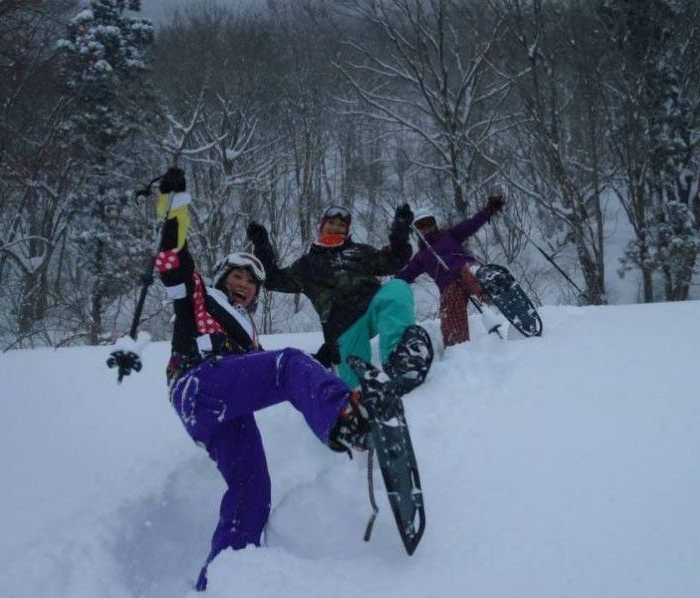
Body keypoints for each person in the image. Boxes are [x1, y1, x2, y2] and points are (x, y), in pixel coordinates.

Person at [152, 168, 372, 591]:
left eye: (252, 282)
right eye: (237, 275)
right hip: (198, 384)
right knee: (286, 363)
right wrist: (173, 207)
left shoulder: (249, 333)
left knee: (252, 495)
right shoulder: (200, 297)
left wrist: (320, 362)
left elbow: (273, 376)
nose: (244, 285)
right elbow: (172, 263)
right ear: (221, 277)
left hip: (222, 412)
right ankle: (345, 417)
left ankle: (221, 581)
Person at [248, 204, 432, 391]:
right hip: (342, 326)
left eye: (341, 225)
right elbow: (272, 280)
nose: (336, 227)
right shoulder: (306, 265)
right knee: (354, 386)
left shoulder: (360, 252)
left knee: (397, 287)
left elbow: (395, 261)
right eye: (332, 223)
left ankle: (399, 357)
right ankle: (366, 397)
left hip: (371, 307)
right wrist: (262, 245)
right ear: (322, 226)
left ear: (347, 230)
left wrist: (400, 228)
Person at [396, 194, 505, 347]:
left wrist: (489, 210)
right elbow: (406, 275)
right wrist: (391, 285)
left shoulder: (450, 235)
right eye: (421, 225)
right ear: (418, 230)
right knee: (448, 310)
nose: (426, 228)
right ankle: (457, 346)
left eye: (429, 223)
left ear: (434, 224)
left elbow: (471, 224)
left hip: (466, 270)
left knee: (469, 273)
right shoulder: (421, 256)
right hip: (449, 285)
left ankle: (491, 294)